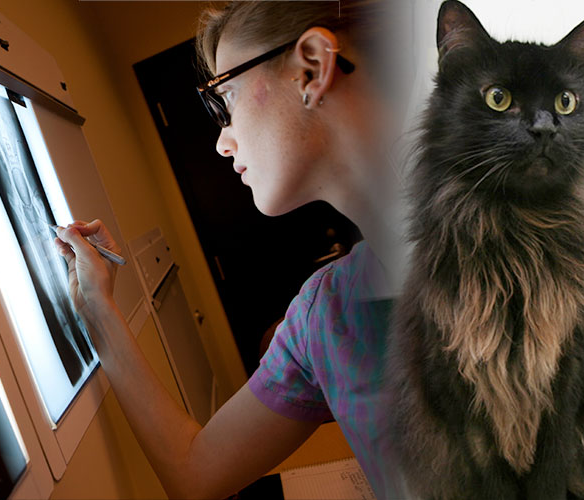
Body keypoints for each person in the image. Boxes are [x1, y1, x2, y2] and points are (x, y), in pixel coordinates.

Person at [53, 1, 402, 498]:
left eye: (226, 98)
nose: (222, 142)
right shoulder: (325, 320)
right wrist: (96, 307)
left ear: (313, 67)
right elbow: (194, 472)